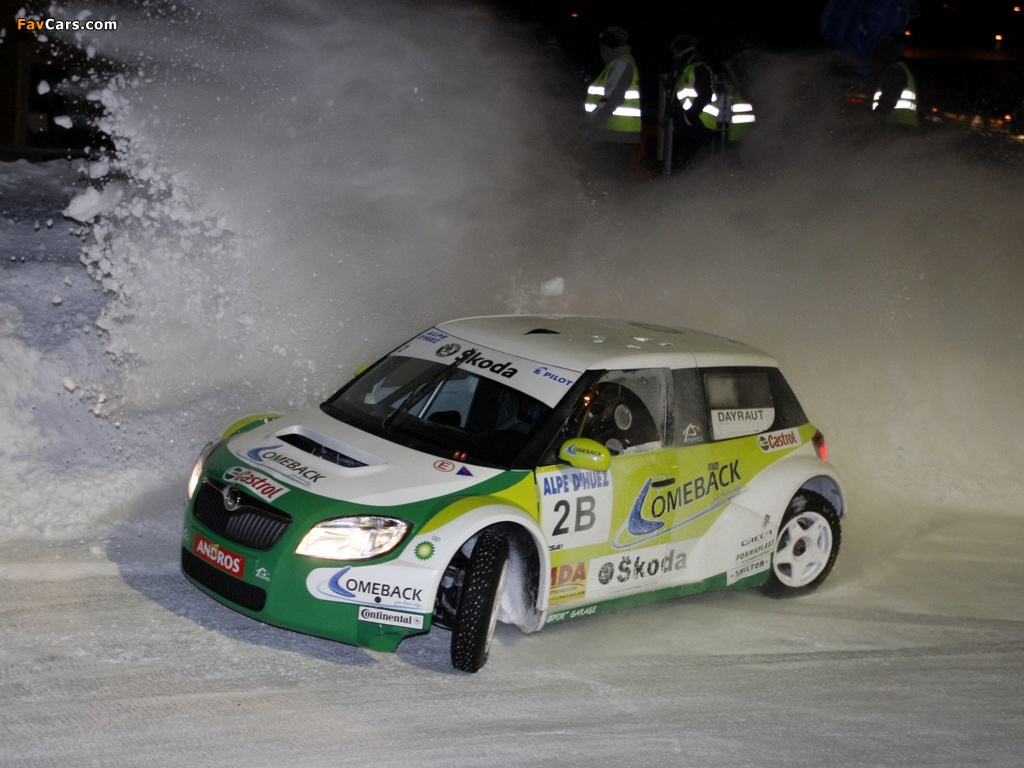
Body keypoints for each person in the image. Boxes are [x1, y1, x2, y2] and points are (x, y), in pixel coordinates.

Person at [582, 26, 642, 150]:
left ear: (605, 47)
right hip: (614, 132)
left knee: (608, 164)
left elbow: (611, 98)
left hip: (614, 133)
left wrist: (591, 123)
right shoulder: (620, 63)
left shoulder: (621, 64)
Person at [666, 34, 716, 170]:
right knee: (688, 164)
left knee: (693, 165)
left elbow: (706, 95)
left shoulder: (697, 66)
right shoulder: (686, 67)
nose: (674, 54)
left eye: (675, 50)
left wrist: (689, 116)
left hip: (699, 124)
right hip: (690, 124)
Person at [871, 36, 918, 128]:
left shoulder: (895, 71)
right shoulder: (898, 69)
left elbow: (889, 98)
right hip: (902, 123)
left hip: (897, 124)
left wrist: (874, 119)